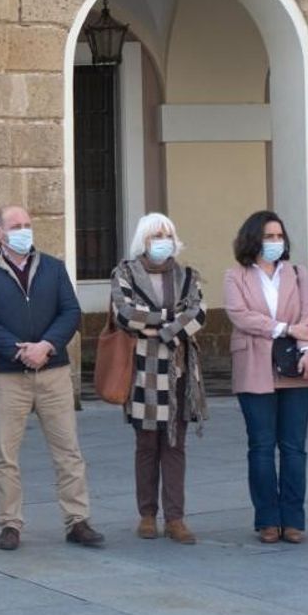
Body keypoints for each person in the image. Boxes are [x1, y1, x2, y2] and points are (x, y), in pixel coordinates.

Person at [0, 206, 105, 551]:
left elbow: (71, 311)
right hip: (7, 376)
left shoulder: (54, 268)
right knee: (5, 454)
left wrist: (48, 345)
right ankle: (10, 524)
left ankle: (78, 521)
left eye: (27, 225)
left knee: (68, 450)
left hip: (53, 371)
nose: (24, 231)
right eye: (15, 226)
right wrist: (18, 350)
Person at [224, 210, 308, 545]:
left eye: (279, 236)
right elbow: (240, 315)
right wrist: (284, 328)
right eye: (269, 236)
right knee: (262, 446)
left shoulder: (297, 274)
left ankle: (293, 519)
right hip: (253, 366)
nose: (275, 242)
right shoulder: (235, 275)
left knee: (294, 447)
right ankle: (267, 519)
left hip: (296, 366)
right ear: (253, 239)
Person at [111, 212, 207, 545]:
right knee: (147, 445)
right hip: (143, 370)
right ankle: (147, 515)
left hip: (179, 372)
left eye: (167, 234)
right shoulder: (124, 272)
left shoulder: (187, 274)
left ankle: (176, 518)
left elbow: (199, 313)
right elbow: (125, 314)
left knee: (175, 445)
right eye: (155, 235)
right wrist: (172, 321)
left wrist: (159, 328)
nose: (162, 241)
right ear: (143, 239)